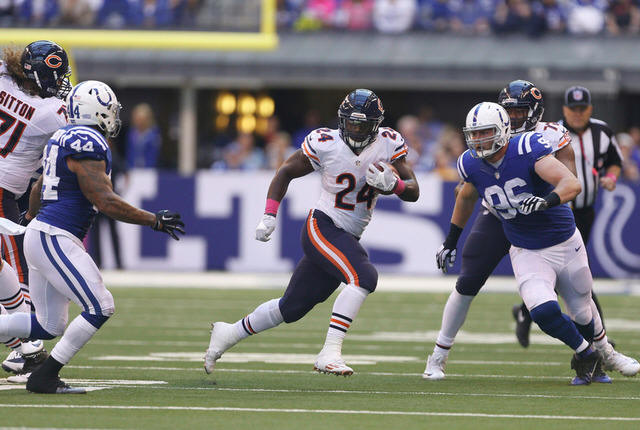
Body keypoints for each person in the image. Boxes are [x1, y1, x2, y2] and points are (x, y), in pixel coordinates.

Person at [204, 89, 419, 376]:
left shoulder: (388, 143)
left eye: (363, 125)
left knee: (291, 308)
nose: (356, 130)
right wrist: (269, 214)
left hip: (348, 235)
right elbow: (285, 172)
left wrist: (396, 186)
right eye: (351, 123)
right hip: (323, 225)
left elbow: (413, 191)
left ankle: (229, 333)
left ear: (376, 125)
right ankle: (330, 352)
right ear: (341, 120)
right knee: (364, 277)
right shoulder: (326, 143)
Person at [428, 102, 639, 385]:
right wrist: (451, 239)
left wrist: (546, 200)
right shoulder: (470, 162)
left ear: (502, 130)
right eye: (474, 134)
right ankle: (587, 353)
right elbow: (465, 197)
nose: (478, 140)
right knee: (541, 310)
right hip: (525, 247)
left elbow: (572, 184)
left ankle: (605, 355)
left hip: (564, 241)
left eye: (485, 132)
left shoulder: (528, 147)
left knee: (582, 309)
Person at [0, 80, 185, 394]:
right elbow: (105, 201)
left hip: (44, 233)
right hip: (56, 236)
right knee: (101, 306)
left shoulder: (63, 136)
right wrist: (153, 220)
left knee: (49, 325)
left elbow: (39, 186)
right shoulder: (87, 142)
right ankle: (44, 377)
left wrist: (30, 217)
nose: (114, 116)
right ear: (97, 111)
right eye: (111, 110)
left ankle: (42, 375)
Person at [513, 85, 623, 349]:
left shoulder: (602, 132)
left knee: (572, 275)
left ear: (590, 109)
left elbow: (615, 161)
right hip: (557, 211)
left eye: (582, 108)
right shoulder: (551, 133)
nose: (577, 113)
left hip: (585, 211)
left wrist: (611, 177)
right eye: (573, 108)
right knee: (577, 277)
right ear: (564, 109)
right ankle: (599, 338)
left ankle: (525, 312)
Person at [0, 40, 71, 376]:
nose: (61, 82)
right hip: (3, 192)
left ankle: (23, 347)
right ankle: (27, 347)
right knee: (16, 269)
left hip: (7, 193)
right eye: (57, 75)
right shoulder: (51, 113)